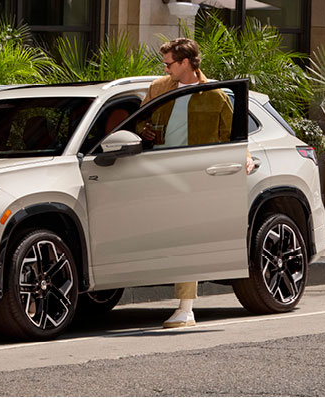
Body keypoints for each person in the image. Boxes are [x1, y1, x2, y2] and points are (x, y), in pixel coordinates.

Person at [138, 37, 234, 328]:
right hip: (159, 173)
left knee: (185, 240)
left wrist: (245, 158)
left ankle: (186, 308)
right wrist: (145, 130)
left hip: (195, 176)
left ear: (186, 63)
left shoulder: (214, 94)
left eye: (169, 63)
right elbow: (137, 121)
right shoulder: (158, 89)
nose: (165, 68)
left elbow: (234, 134)